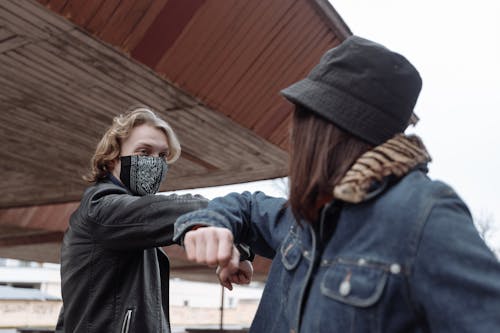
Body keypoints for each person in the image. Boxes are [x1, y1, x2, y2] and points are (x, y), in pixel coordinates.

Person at [174, 36, 500, 332]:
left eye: (301, 121)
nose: (294, 135)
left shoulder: (424, 214)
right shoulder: (310, 212)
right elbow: (246, 205)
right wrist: (214, 225)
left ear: (324, 130)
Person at [55, 107, 222, 333]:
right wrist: (231, 211)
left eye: (162, 156)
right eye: (144, 152)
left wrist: (238, 249)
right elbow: (168, 213)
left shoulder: (133, 224)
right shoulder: (102, 208)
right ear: (113, 158)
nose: (155, 163)